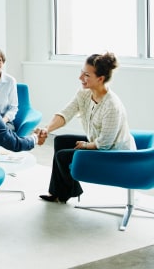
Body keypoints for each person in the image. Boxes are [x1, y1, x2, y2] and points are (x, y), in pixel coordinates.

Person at [37, 52, 136, 203]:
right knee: (60, 141)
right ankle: (60, 193)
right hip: (100, 143)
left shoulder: (111, 106)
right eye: (81, 72)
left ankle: (70, 191)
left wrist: (86, 145)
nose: (80, 78)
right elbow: (66, 113)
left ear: (100, 78)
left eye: (86, 75)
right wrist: (47, 129)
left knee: (62, 156)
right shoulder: (84, 93)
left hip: (115, 153)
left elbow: (105, 144)